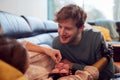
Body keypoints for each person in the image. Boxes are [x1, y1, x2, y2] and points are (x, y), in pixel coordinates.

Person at [52, 4, 115, 80]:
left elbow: (108, 74)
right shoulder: (56, 44)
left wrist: (73, 65)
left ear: (81, 28)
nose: (61, 33)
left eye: (68, 28)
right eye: (60, 26)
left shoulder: (96, 37)